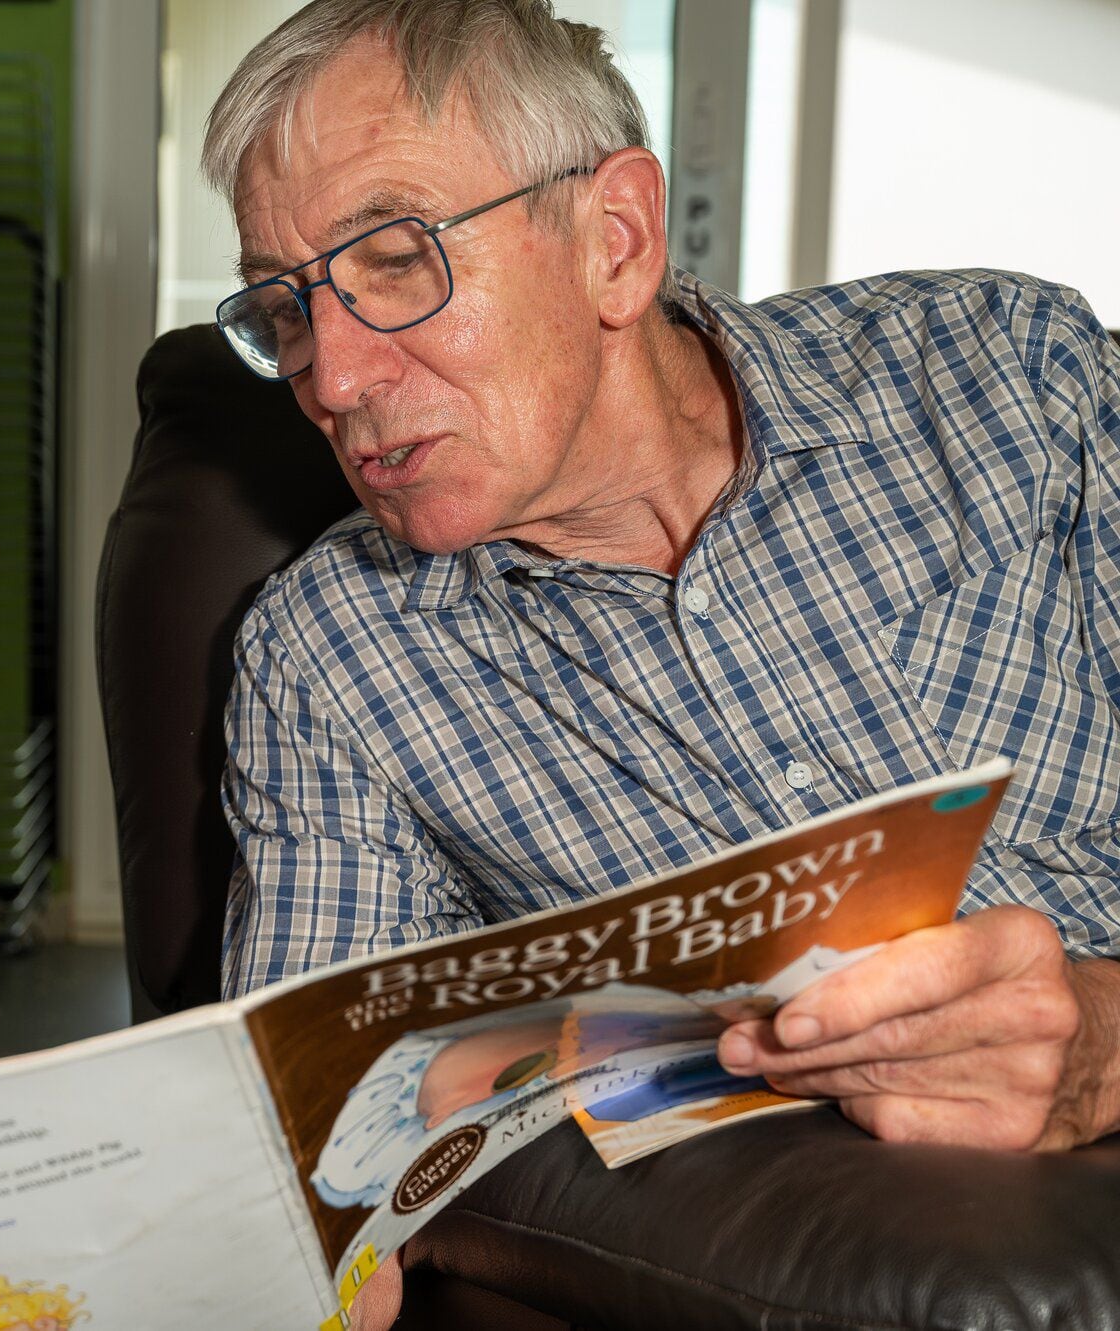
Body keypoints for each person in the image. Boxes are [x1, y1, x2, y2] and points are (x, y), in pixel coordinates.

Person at [204, 1, 1120, 1321]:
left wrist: (1099, 1039)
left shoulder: (1007, 384)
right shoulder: (331, 653)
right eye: (286, 310)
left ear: (613, 243)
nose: (331, 377)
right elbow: (316, 1129)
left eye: (395, 262)